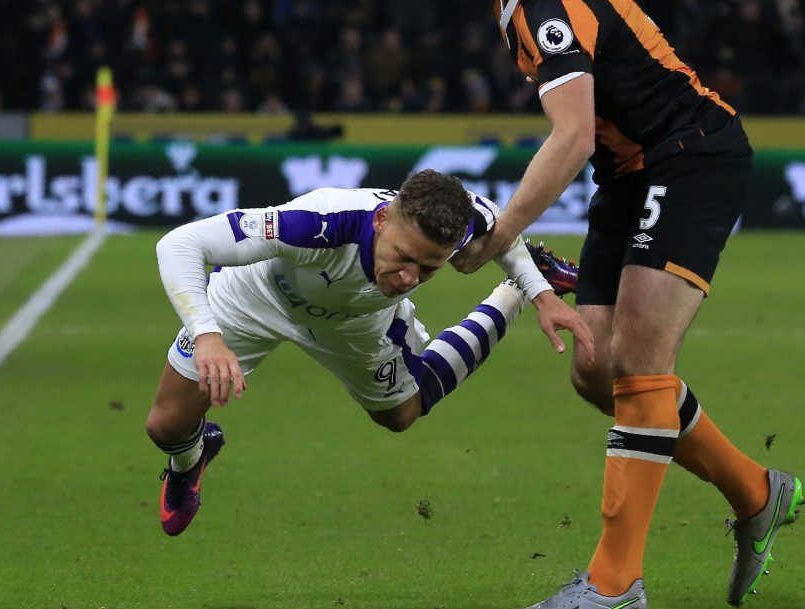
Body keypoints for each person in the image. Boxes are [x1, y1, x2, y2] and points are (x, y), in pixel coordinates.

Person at [428, 0, 805, 609]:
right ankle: (755, 492)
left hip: (689, 156)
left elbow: (569, 136)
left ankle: (613, 581)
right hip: (631, 172)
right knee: (597, 368)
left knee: (638, 359)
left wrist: (499, 234)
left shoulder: (546, 2)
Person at [146, 169, 592, 536]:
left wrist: (537, 292)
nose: (407, 279)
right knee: (165, 426)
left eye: (427, 269)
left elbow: (504, 235)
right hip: (256, 298)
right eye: (402, 257)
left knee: (400, 416)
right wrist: (206, 334)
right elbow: (179, 244)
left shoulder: (462, 221)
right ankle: (191, 457)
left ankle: (509, 294)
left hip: (358, 323)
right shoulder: (317, 222)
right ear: (380, 221)